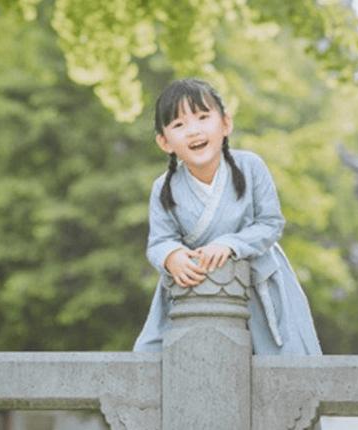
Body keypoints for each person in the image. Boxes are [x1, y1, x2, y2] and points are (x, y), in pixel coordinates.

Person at [133, 78, 322, 355]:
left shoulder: (251, 166)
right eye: (178, 125)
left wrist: (230, 244)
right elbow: (160, 241)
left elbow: (270, 224)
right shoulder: (163, 187)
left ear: (225, 123)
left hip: (257, 281)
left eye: (202, 117)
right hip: (194, 289)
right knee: (156, 358)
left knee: (283, 360)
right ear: (164, 142)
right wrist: (172, 256)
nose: (193, 131)